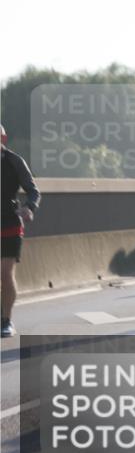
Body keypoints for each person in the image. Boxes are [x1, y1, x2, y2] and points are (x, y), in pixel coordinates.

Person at [1, 125, 40, 338]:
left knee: (5, 274)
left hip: (9, 224)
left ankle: (6, 320)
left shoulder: (14, 161)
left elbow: (33, 190)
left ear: (3, 138)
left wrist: (29, 207)